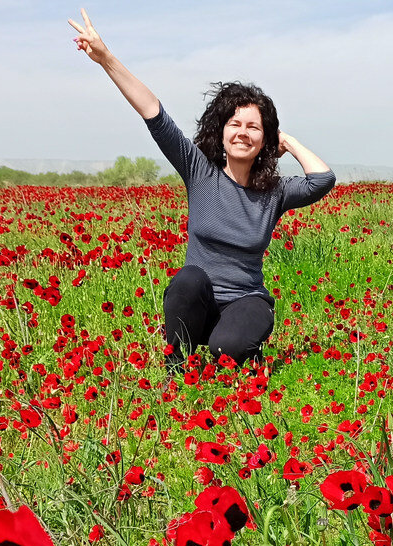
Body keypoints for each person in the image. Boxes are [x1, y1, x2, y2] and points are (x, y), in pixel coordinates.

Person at [68, 9, 336, 375]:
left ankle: (236, 343)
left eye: (254, 127)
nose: (243, 132)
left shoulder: (273, 193)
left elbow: (322, 179)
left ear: (264, 139)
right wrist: (106, 59)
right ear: (221, 132)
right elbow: (154, 113)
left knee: (229, 347)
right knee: (188, 279)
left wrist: (286, 140)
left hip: (247, 300)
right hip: (201, 299)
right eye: (235, 124)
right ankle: (176, 364)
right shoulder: (199, 172)